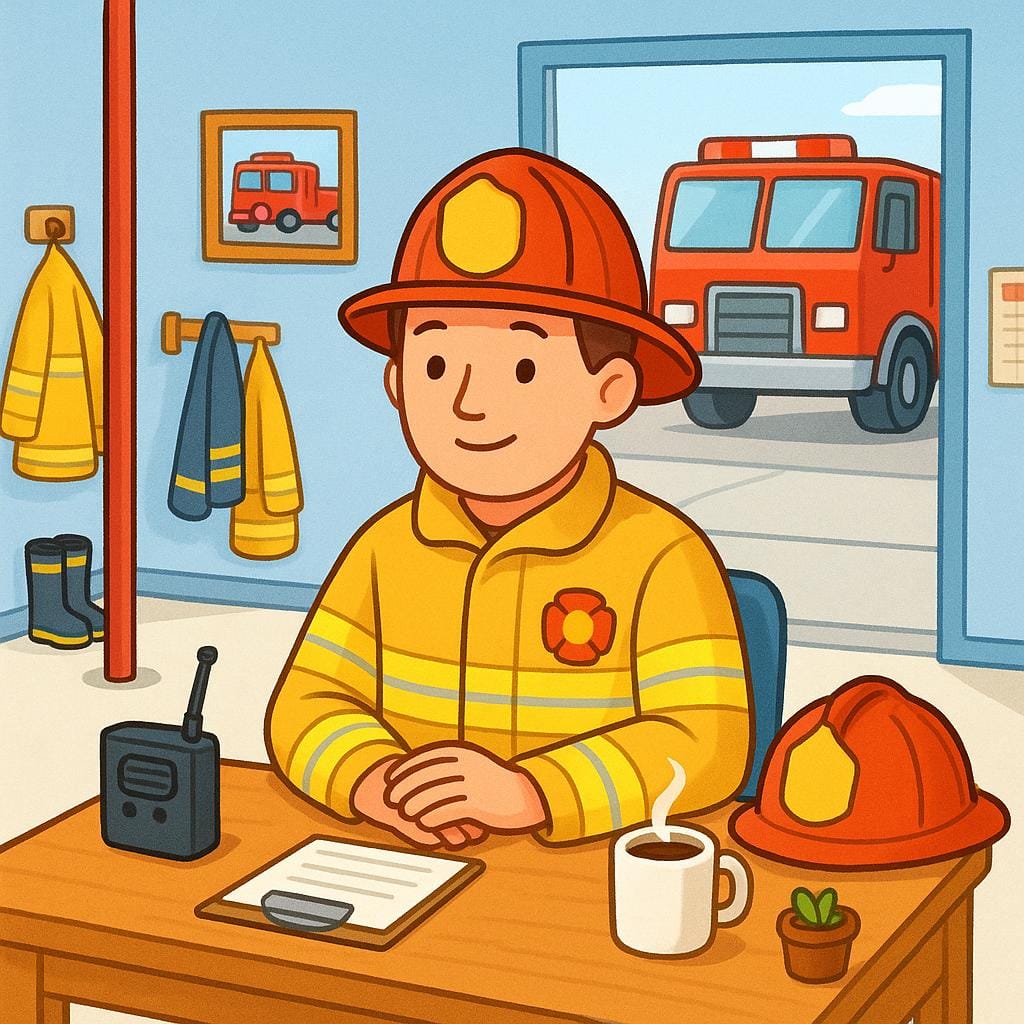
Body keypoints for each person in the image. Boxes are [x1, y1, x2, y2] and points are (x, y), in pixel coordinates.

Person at [265, 149, 753, 849]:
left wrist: (534, 792)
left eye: (523, 368)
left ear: (609, 391)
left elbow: (707, 744)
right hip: (406, 866)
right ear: (397, 383)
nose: (469, 403)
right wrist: (372, 779)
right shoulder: (383, 547)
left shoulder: (660, 552)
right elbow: (305, 705)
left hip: (584, 885)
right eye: (435, 364)